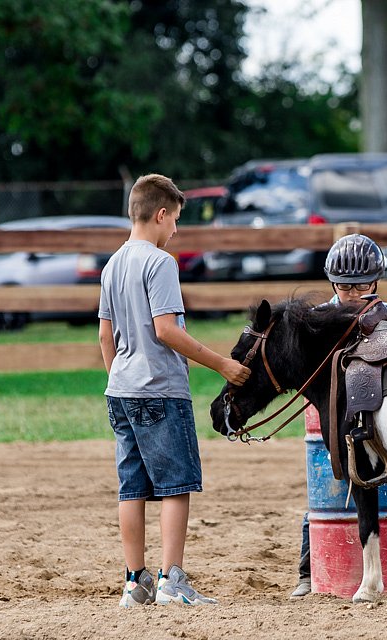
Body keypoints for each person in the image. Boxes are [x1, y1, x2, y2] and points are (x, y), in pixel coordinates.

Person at [98, 173, 251, 608]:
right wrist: (222, 363)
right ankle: (172, 579)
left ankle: (134, 581)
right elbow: (166, 330)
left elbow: (105, 338)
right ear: (161, 214)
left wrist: (118, 380)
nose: (176, 230)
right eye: (176, 220)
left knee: (132, 488)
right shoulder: (160, 263)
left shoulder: (113, 265)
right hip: (160, 390)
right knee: (175, 486)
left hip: (121, 391)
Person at [290, 233, 387, 599]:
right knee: (325, 502)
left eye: (360, 286)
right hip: (335, 422)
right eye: (343, 286)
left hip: (378, 421)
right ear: (331, 282)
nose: (352, 293)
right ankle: (309, 572)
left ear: (375, 281)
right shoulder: (318, 321)